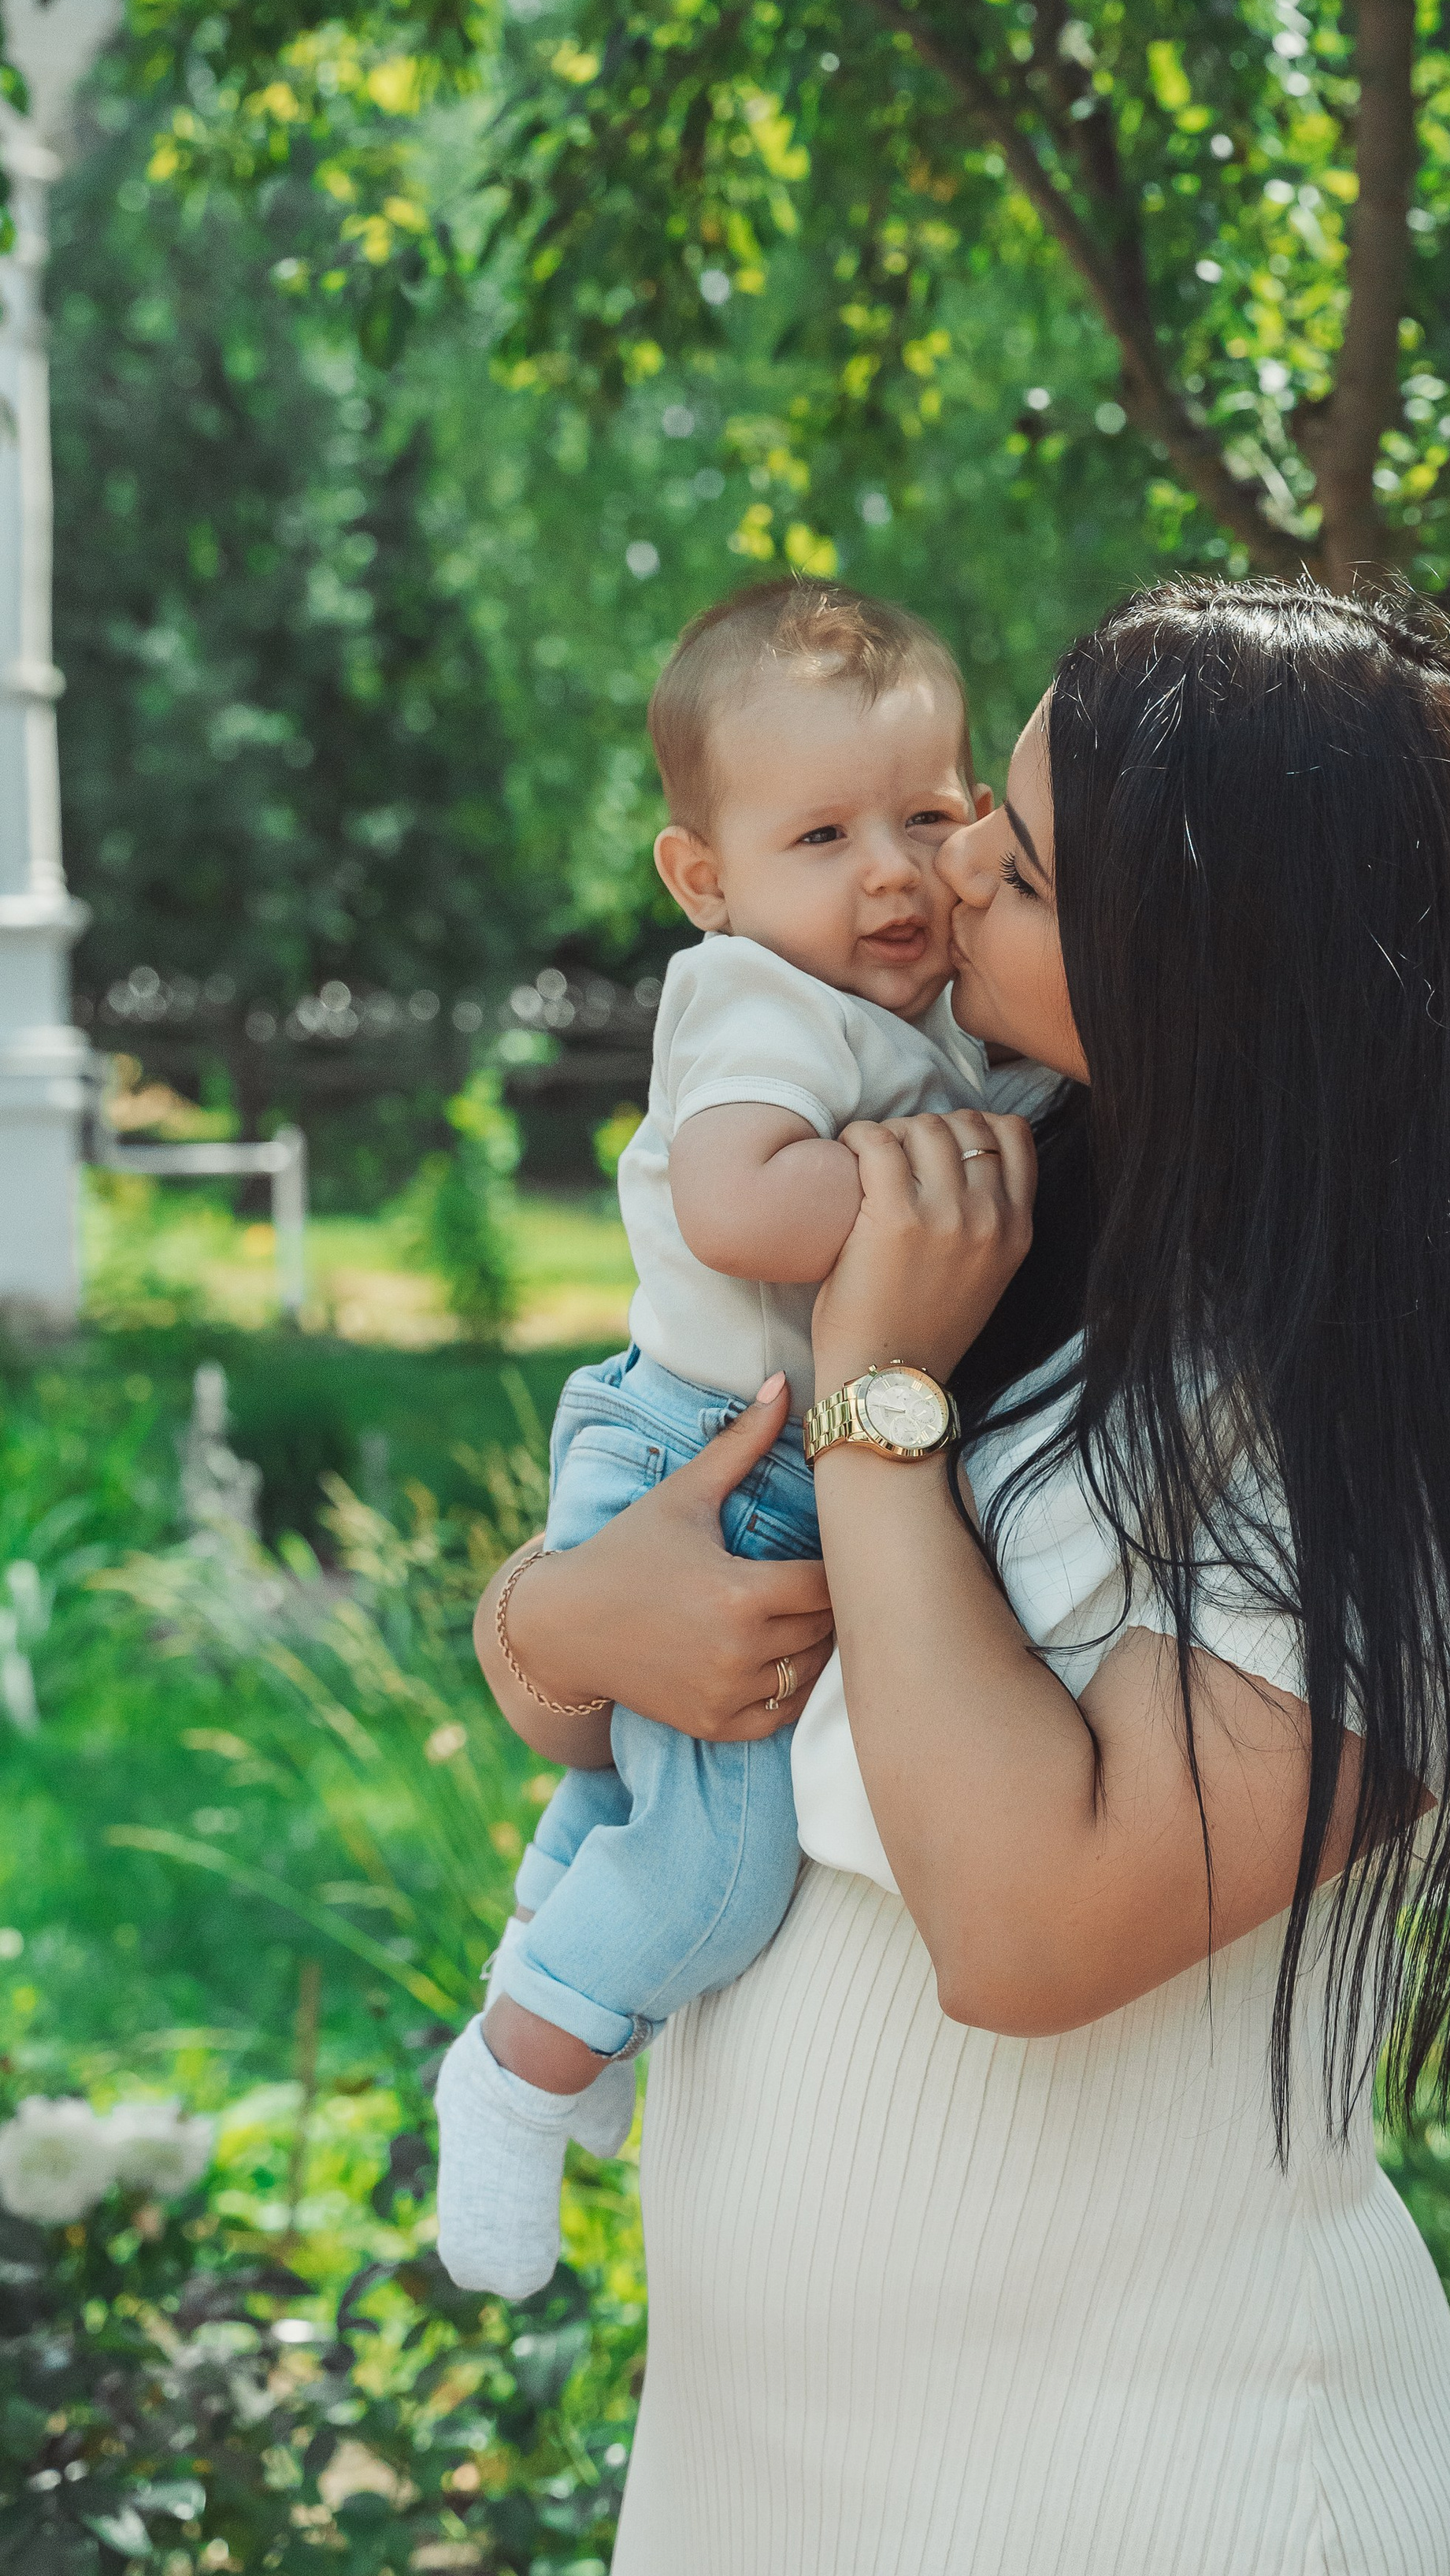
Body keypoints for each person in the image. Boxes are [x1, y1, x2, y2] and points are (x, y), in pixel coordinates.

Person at [474, 577, 1450, 2576]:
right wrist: (548, 1630)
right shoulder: (1011, 1183)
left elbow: (1028, 1927)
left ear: (1212, 959)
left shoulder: (1434, 1387)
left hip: (1144, 2480)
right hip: (748, 2479)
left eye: (1009, 862)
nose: (939, 878)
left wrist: (874, 1397)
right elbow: (650, 1636)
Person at [436, 577, 1051, 2297]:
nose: (888, 872)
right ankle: (513, 2073)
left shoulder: (917, 1011)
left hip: (757, 1444)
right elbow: (735, 1208)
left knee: (638, 1785)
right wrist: (932, 1190)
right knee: (718, 1861)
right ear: (703, 880)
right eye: (819, 835)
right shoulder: (746, 1002)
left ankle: (547, 1969)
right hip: (702, 1455)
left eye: (928, 818)